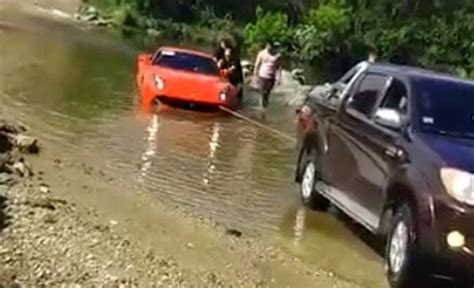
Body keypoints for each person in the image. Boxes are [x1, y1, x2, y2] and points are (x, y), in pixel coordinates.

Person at [253, 42, 282, 109]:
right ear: (266, 45)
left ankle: (265, 107)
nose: (270, 47)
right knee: (263, 93)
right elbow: (257, 65)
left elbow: (279, 67)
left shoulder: (277, 55)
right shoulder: (261, 53)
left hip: (271, 77)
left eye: (271, 46)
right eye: (269, 46)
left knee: (267, 94)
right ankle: (262, 108)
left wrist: (279, 78)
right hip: (262, 76)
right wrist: (255, 75)